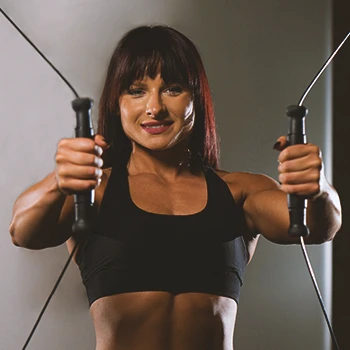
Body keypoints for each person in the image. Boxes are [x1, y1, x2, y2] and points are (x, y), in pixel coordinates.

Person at [9, 25, 341, 350]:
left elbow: (317, 227)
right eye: (136, 91)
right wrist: (59, 180)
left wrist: (318, 187)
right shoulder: (92, 189)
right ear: (117, 103)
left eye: (172, 88)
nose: (154, 107)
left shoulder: (240, 192)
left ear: (197, 99)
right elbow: (23, 231)